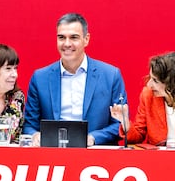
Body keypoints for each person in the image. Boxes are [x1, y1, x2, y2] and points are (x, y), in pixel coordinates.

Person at [23, 13, 127, 147]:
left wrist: (93, 138)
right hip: (51, 154)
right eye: (61, 37)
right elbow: (29, 125)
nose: (67, 44)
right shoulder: (40, 77)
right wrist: (35, 135)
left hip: (95, 155)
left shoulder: (110, 75)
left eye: (74, 37)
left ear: (86, 39)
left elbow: (120, 124)